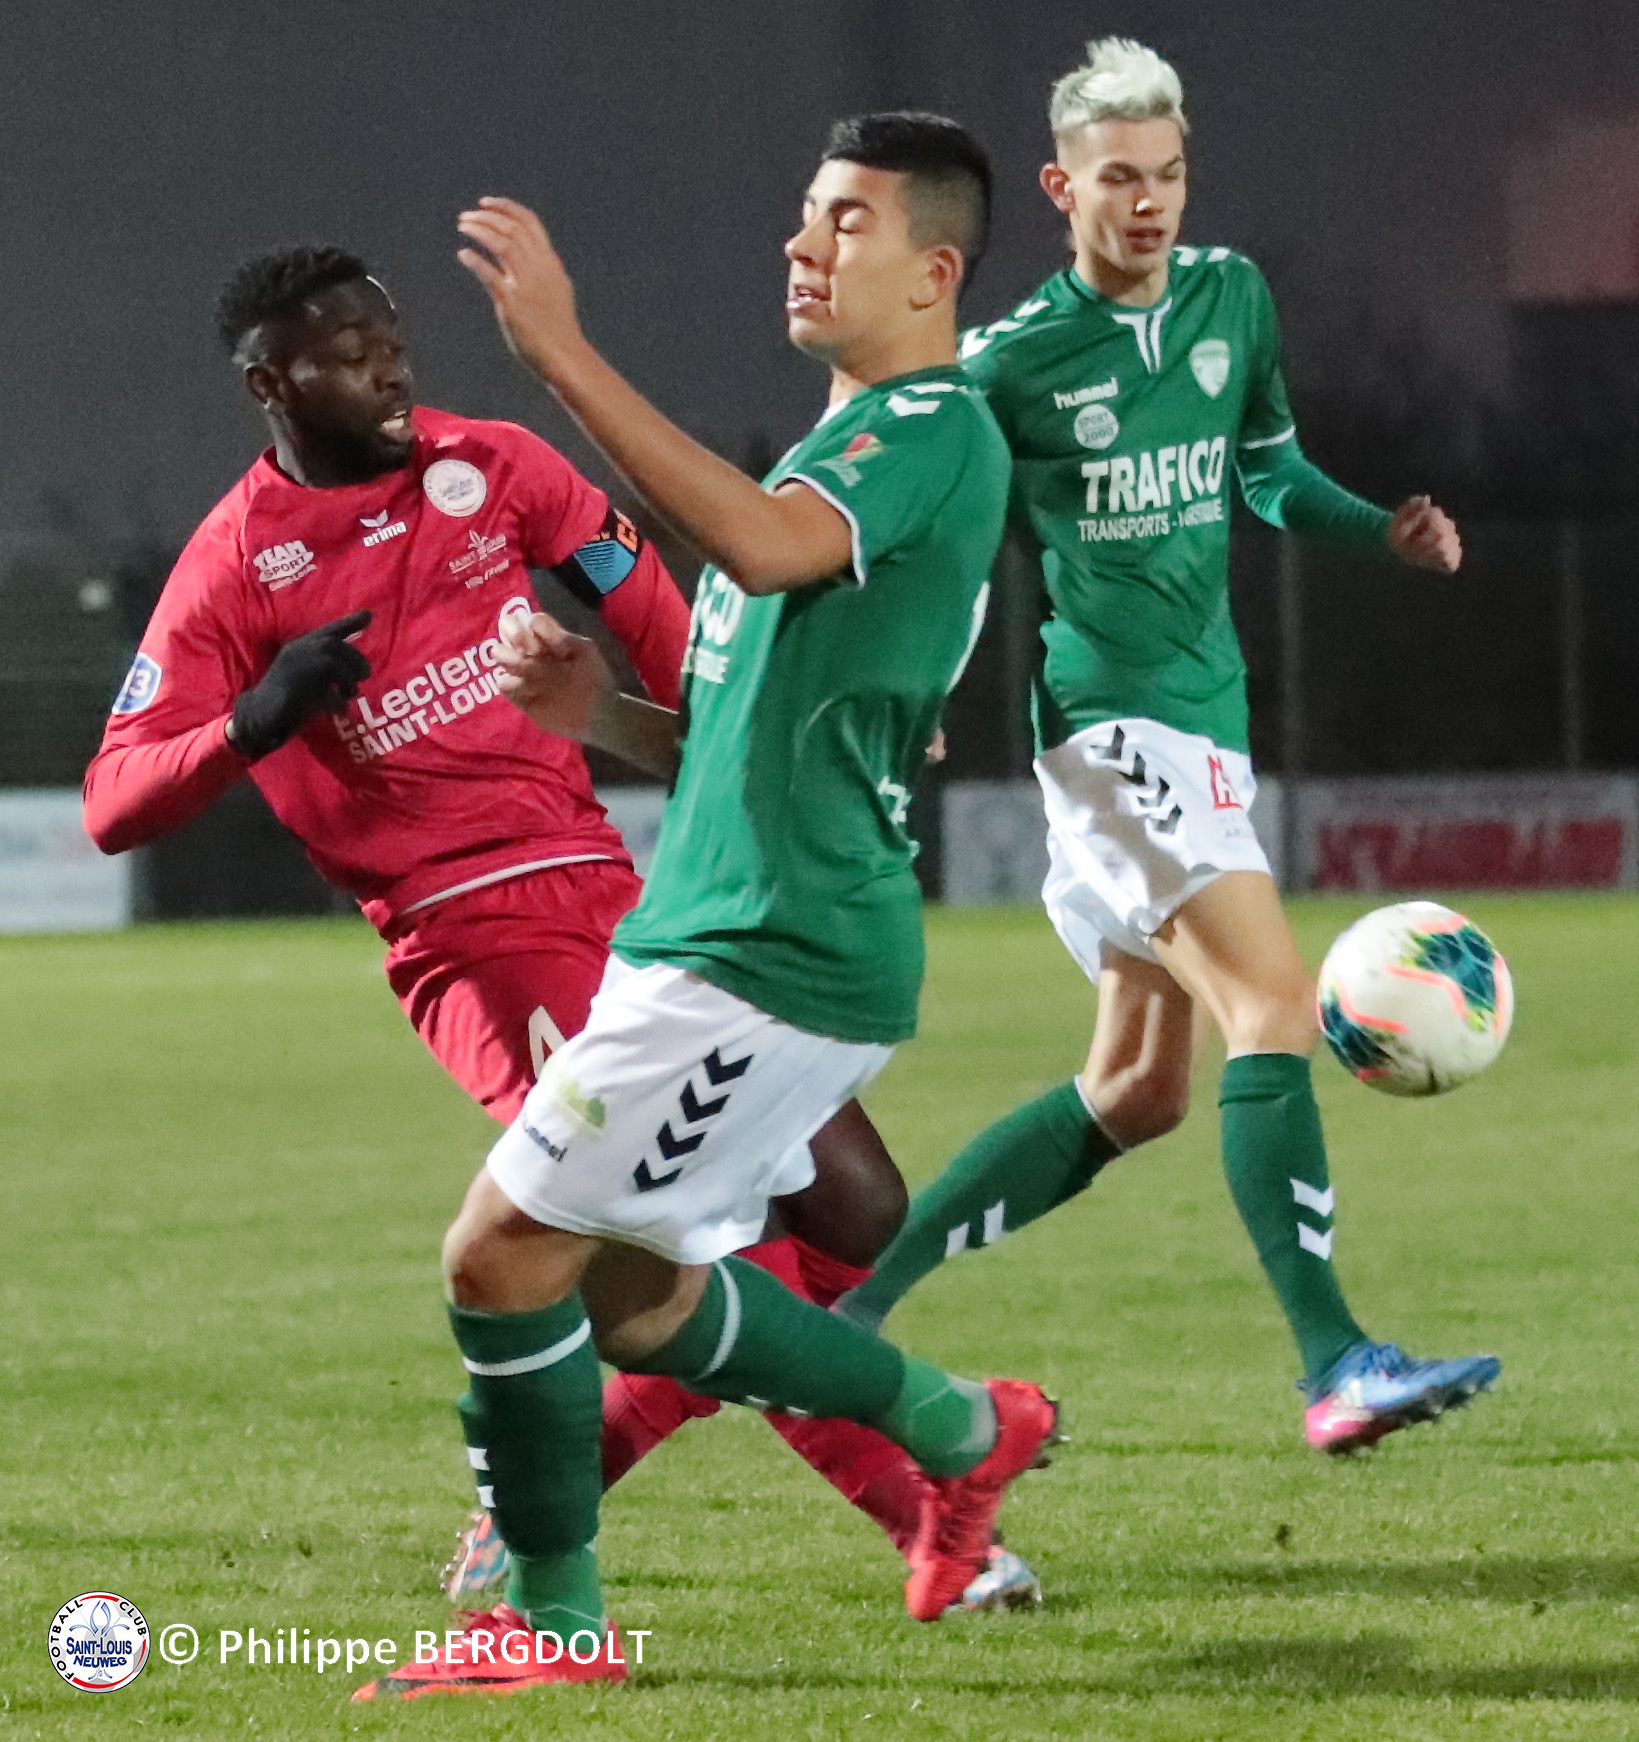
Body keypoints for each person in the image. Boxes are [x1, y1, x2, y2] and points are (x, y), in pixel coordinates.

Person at [84, 244, 1038, 1620]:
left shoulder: (499, 466)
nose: (390, 372)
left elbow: (669, 626)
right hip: (472, 935)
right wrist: (252, 718)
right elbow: (115, 800)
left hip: (632, 895)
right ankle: (934, 1520)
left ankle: (560, 1472)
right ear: (270, 386)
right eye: (347, 358)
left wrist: (803, 712)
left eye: (392, 342)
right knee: (696, 1252)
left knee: (854, 1210)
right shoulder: (236, 565)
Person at [354, 111, 1054, 1703]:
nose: (804, 243)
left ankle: (551, 1619)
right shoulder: (838, 456)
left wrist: (560, 353)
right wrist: (600, 714)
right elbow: (746, 730)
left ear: (936, 272)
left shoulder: (930, 427)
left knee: (498, 1255)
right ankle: (964, 1427)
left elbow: (755, 540)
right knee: (641, 1295)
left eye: (850, 220)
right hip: (724, 937)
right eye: (807, 213)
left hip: (770, 953)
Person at [835, 40, 1501, 1454]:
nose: (1149, 204)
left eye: (1170, 175)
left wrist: (1375, 531)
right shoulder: (1008, 365)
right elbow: (932, 524)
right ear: (1062, 188)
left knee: (1138, 1088)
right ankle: (1337, 1362)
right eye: (1120, 179)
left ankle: (854, 1306)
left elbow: (1265, 467)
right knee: (1272, 1003)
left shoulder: (1231, 298)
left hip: (1206, 730)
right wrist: (907, 678)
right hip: (1106, 733)